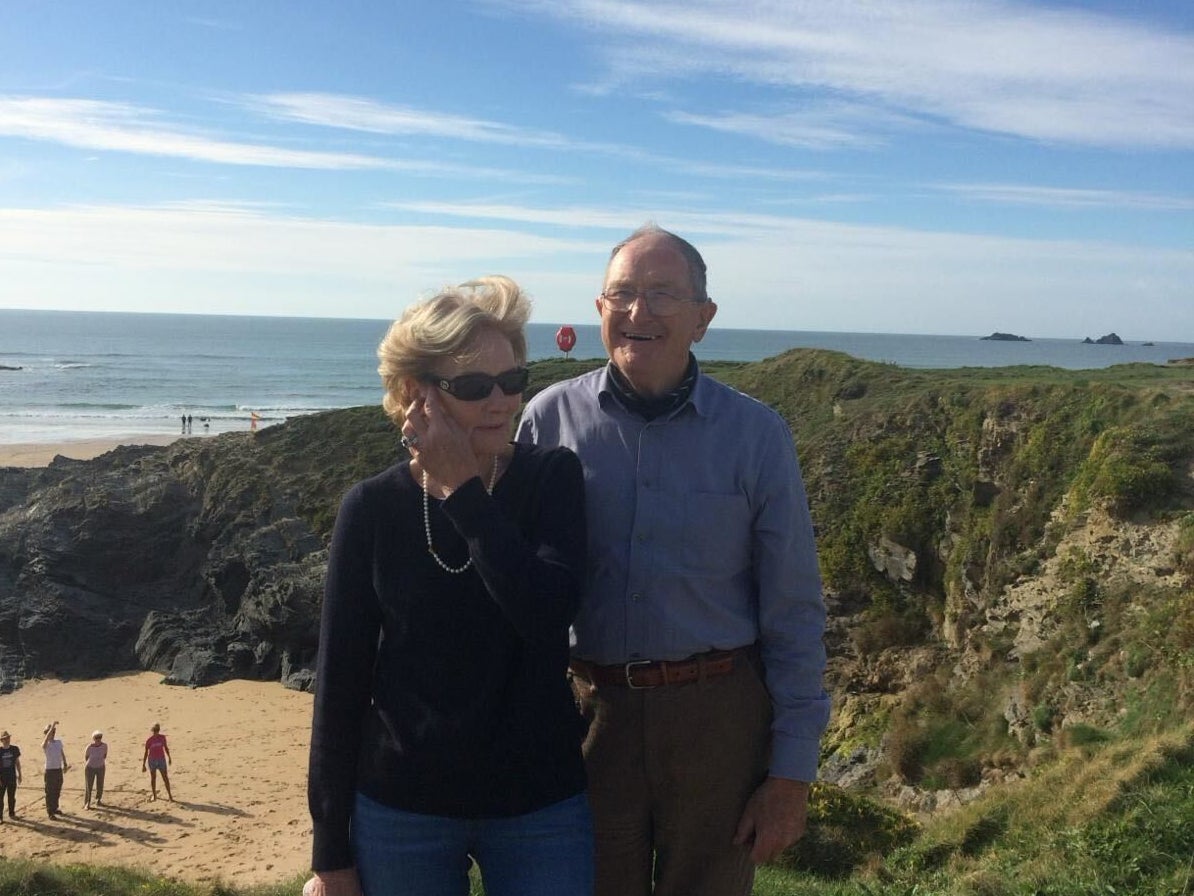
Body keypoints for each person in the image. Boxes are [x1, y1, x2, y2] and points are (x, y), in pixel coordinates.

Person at [516, 224, 830, 896]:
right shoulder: (545, 423)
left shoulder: (756, 435)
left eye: (662, 295)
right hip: (587, 716)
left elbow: (794, 611)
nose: (639, 312)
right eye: (622, 294)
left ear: (703, 319)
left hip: (718, 719)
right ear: (598, 312)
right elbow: (512, 593)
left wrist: (791, 775)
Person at [304, 276, 591, 896]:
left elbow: (546, 615)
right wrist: (330, 851)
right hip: (403, 810)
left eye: (514, 380)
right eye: (473, 386)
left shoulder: (551, 478)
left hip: (539, 804)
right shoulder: (372, 508)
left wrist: (463, 490)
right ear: (415, 393)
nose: (502, 401)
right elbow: (341, 680)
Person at [42, 721, 69, 818]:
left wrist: (65, 764)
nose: (52, 733)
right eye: (50, 732)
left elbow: (62, 753)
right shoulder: (45, 744)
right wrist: (52, 726)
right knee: (50, 792)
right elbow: (46, 740)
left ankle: (55, 808)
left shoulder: (58, 742)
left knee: (57, 790)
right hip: (50, 770)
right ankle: (50, 812)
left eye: (53, 732)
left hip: (58, 769)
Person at [141, 723, 172, 801]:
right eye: (154, 731)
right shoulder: (149, 740)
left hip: (161, 759)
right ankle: (154, 795)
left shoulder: (162, 738)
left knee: (165, 777)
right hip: (152, 760)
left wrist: (169, 757)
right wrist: (143, 764)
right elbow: (146, 752)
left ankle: (170, 795)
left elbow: (165, 747)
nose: (156, 732)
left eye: (157, 731)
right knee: (153, 778)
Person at [83, 730, 108, 808]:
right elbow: (86, 757)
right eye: (97, 737)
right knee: (89, 786)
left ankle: (98, 799)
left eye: (100, 737)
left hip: (101, 767)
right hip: (90, 768)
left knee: (100, 784)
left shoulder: (104, 746)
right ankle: (87, 803)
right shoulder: (89, 747)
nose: (98, 739)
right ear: (93, 738)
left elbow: (104, 755)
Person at [0, 730, 21, 821]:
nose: (7, 740)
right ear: (2, 740)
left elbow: (17, 762)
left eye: (8, 738)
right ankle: (0, 817)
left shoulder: (14, 749)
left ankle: (11, 813)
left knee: (11, 797)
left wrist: (20, 774)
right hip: (2, 778)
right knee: (0, 798)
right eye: (5, 739)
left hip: (12, 776)